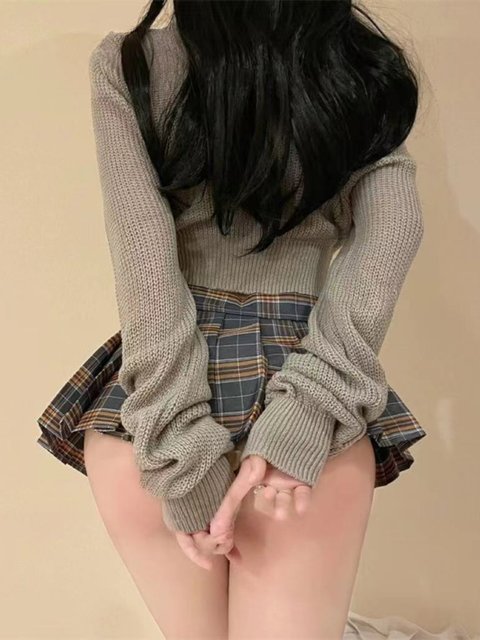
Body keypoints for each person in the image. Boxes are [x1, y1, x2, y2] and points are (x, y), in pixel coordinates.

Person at [36, 1, 427, 637]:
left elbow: (142, 253)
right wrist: (308, 411)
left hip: (157, 406)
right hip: (299, 377)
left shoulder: (132, 61)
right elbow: (394, 231)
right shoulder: (358, 64)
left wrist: (178, 445)